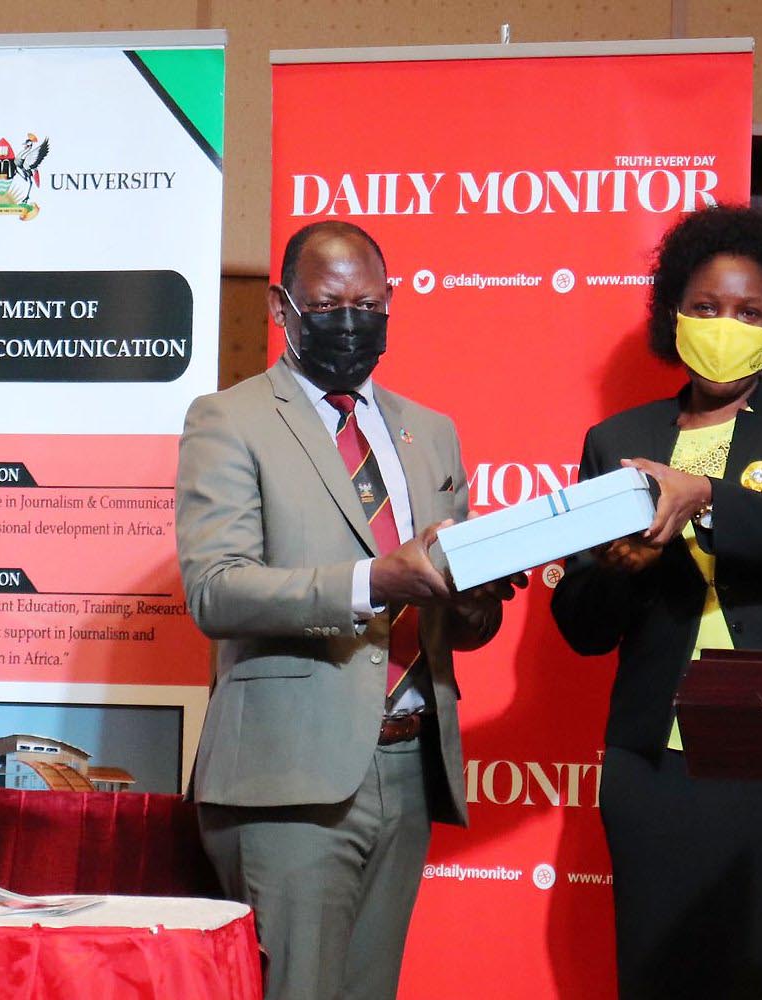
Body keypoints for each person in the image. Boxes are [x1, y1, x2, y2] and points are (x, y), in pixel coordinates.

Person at [176, 220, 520, 1000]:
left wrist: (474, 593)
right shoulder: (228, 420)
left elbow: (457, 622)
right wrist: (375, 581)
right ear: (281, 307)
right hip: (287, 778)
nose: (351, 320)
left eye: (368, 304)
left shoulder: (429, 432)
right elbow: (217, 588)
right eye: (329, 304)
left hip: (409, 763)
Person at [550, 205, 762, 999]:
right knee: (662, 972)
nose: (725, 325)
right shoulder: (617, 438)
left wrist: (705, 498)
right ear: (673, 315)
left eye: (748, 313)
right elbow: (584, 629)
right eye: (706, 307)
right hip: (657, 760)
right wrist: (622, 567)